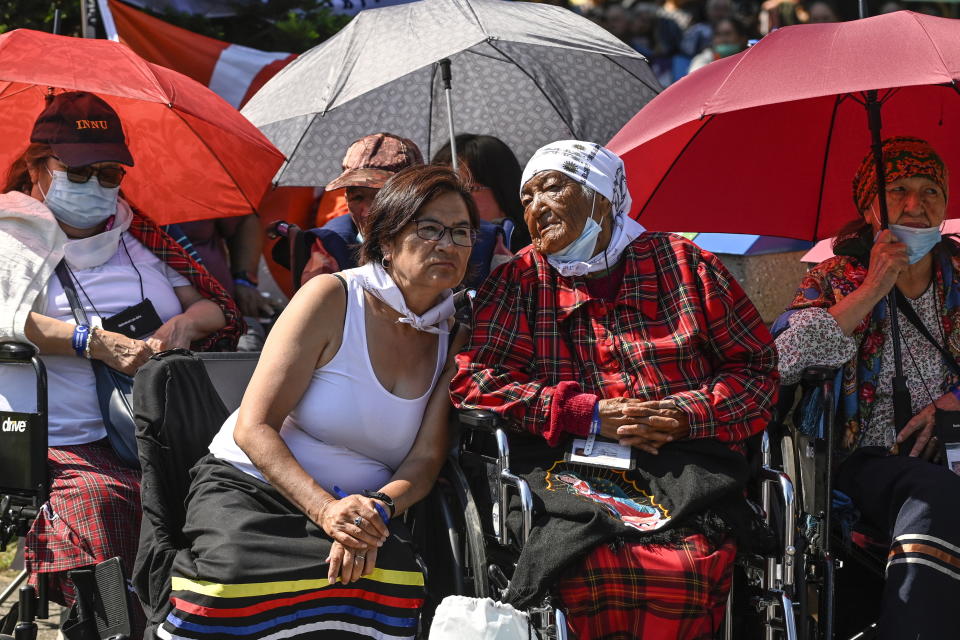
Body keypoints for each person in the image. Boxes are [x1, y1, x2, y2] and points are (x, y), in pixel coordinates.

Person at [450, 140, 778, 639]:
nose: (536, 207)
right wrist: (584, 412)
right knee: (585, 561)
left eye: (552, 188)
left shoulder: (683, 264)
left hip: (684, 462)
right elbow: (475, 381)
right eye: (528, 197)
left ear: (602, 197)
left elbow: (755, 371)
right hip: (569, 466)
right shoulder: (519, 279)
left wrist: (684, 412)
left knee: (687, 565)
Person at [164, 165, 478, 639]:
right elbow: (254, 426)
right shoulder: (332, 297)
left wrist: (373, 513)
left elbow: (427, 458)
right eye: (429, 228)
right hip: (255, 489)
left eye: (461, 232)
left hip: (367, 513)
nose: (447, 245)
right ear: (386, 240)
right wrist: (325, 511)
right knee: (230, 584)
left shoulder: (453, 332)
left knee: (393, 580)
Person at [0, 92, 240, 618]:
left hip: (157, 432)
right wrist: (92, 342)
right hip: (61, 444)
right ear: (39, 166)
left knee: (229, 496)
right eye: (79, 172)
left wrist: (178, 327)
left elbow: (213, 309)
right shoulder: (10, 235)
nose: (97, 187)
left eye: (109, 174)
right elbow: (6, 320)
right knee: (106, 505)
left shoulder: (136, 235)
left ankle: (202, 620)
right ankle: (115, 623)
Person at [774, 137, 960, 639]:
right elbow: (784, 360)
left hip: (951, 448)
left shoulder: (959, 273)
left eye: (930, 192)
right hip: (864, 460)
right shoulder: (837, 276)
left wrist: (955, 402)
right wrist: (874, 286)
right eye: (898, 189)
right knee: (938, 493)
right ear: (870, 204)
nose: (915, 206)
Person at [300, 132, 424, 282]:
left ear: (417, 197)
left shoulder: (441, 240)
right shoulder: (333, 246)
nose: (367, 212)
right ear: (346, 198)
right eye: (357, 198)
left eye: (381, 197)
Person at [432, 133, 532, 251]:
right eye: (445, 189)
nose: (455, 199)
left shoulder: (533, 260)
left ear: (505, 193)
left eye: (471, 189)